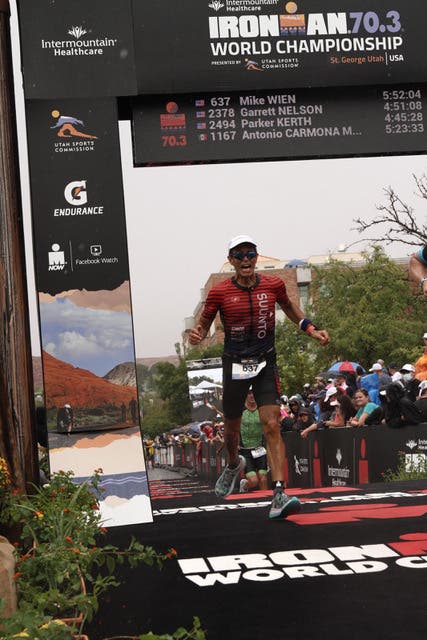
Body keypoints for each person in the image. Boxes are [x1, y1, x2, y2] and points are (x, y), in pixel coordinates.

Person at [188, 234, 330, 519]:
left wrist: (311, 329)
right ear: (231, 260)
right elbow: (203, 323)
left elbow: (290, 308)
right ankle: (233, 464)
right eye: (239, 255)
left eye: (250, 254)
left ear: (256, 257)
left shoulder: (273, 285)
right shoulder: (219, 292)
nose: (246, 260)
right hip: (235, 364)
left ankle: (279, 493)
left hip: (266, 361)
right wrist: (197, 334)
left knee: (272, 425)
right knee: (232, 429)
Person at [239, 391, 268, 493]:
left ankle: (266, 500)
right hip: (245, 451)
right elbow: (233, 427)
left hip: (260, 449)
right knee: (254, 481)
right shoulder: (240, 409)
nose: (251, 395)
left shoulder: (261, 409)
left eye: (253, 393)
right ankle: (245, 484)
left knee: (263, 479)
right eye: (249, 393)